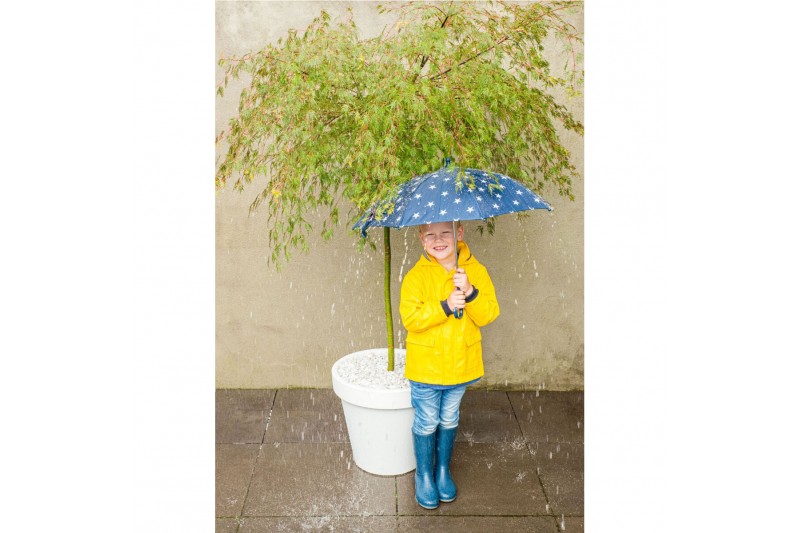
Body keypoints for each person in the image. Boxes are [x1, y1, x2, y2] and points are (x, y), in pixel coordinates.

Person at [399, 220, 500, 509]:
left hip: (459, 366)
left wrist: (470, 291)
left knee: (449, 418)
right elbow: (411, 319)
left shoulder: (475, 271)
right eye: (430, 235)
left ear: (459, 233)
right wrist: (445, 306)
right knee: (427, 419)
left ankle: (442, 470)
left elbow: (488, 314)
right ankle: (424, 475)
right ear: (422, 239)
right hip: (427, 368)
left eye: (445, 232)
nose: (438, 240)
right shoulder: (416, 277)